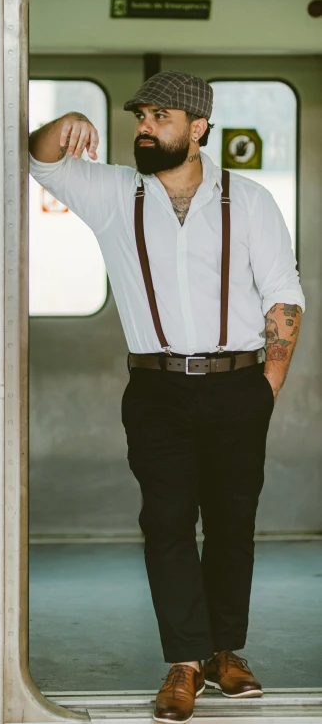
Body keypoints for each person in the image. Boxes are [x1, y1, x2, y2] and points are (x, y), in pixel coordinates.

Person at [28, 71, 305, 724]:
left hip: (239, 385)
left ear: (199, 127)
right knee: (168, 520)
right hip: (155, 391)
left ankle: (223, 652)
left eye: (161, 117)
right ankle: (184, 661)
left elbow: (284, 296)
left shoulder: (251, 201)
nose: (145, 126)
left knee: (233, 522)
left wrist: (265, 387)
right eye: (140, 115)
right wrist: (60, 120)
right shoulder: (113, 193)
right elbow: (38, 158)